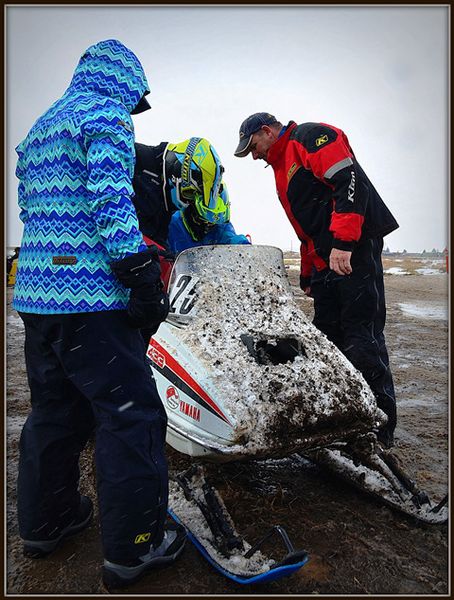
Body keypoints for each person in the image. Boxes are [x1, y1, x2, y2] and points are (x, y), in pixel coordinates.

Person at [12, 39, 186, 590]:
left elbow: (29, 207)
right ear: (123, 82)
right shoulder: (104, 118)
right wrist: (138, 274)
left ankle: (46, 523)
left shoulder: (40, 127)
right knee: (130, 416)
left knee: (53, 414)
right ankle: (136, 546)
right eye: (135, 95)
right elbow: (111, 200)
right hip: (93, 301)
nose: (135, 108)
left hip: (38, 299)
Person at [234, 112, 399, 448]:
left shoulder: (310, 137)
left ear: (266, 131)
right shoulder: (281, 168)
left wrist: (344, 243)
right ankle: (338, 416)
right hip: (327, 257)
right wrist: (310, 271)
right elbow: (307, 228)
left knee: (360, 333)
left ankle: (379, 427)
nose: (253, 155)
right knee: (326, 336)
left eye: (252, 146)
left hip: (354, 249)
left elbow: (349, 182)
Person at [133, 137, 250, 258]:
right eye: (204, 221)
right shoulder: (174, 219)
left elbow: (232, 240)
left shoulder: (220, 225)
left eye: (212, 223)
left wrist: (247, 253)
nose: (208, 226)